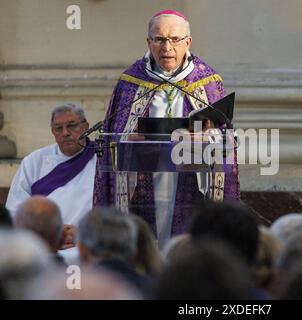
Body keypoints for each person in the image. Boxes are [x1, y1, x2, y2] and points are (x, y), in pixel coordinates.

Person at [93, 10, 240, 248]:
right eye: (159, 39)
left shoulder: (207, 81)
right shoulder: (130, 82)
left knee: (185, 241)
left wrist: (207, 137)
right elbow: (115, 132)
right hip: (142, 178)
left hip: (190, 178)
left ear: (188, 42)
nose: (167, 47)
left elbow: (225, 139)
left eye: (175, 39)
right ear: (148, 42)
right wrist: (127, 138)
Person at [6, 103, 96, 257]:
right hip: (41, 248)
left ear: (85, 126)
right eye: (58, 128)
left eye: (72, 125)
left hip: (84, 247)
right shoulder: (34, 161)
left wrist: (82, 234)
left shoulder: (102, 159)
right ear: (52, 131)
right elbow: (14, 210)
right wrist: (48, 234)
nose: (65, 133)